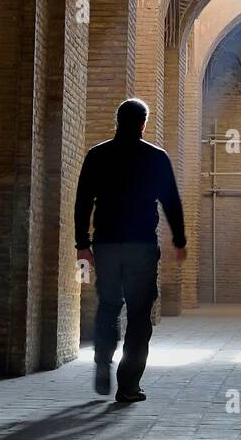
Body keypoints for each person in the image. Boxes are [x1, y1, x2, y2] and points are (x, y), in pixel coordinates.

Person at [74, 97, 187, 403]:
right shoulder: (156, 157)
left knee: (109, 305)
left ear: (117, 121)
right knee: (139, 316)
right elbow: (171, 201)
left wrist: (82, 246)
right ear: (143, 124)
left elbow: (83, 200)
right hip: (141, 247)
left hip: (107, 245)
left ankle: (101, 359)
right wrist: (179, 239)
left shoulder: (97, 155)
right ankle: (128, 386)